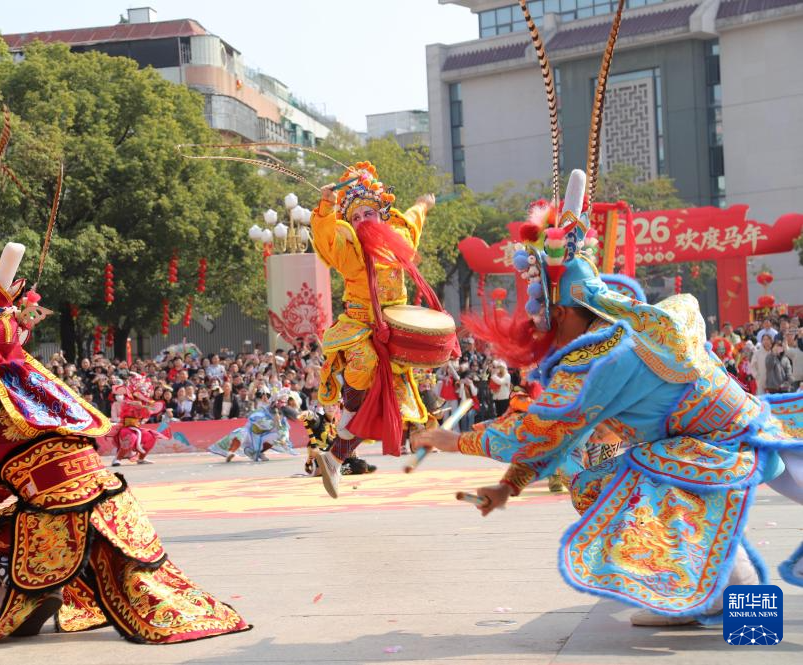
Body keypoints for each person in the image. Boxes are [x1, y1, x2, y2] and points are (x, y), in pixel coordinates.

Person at [0, 123, 249, 654]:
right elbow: (7, 464)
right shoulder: (20, 382)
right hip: (102, 498)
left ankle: (29, 599)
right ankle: (40, 592)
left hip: (61, 511)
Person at [414, 168, 803, 628]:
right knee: (621, 475)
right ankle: (711, 600)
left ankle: (736, 610)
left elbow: (538, 429)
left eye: (544, 318)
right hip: (734, 429)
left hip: (712, 445)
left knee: (618, 484)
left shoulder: (598, 359)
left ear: (562, 312)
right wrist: (508, 485)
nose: (542, 330)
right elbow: (557, 438)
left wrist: (454, 440)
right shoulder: (632, 326)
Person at [311, 160, 449, 499]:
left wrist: (424, 204)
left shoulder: (398, 238)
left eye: (368, 214)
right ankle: (348, 415)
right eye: (356, 217)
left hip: (394, 330)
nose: (363, 221)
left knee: (389, 407)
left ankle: (335, 458)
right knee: (365, 362)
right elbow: (326, 239)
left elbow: (414, 221)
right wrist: (326, 206)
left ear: (382, 214)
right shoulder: (350, 249)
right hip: (359, 325)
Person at [208, 388, 298, 462]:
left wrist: (283, 437)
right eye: (279, 402)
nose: (280, 405)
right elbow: (254, 418)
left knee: (277, 436)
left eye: (283, 403)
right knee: (241, 432)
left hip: (263, 437)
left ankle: (259, 452)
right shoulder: (263, 410)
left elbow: (284, 429)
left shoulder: (282, 416)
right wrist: (271, 422)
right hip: (251, 434)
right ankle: (231, 452)